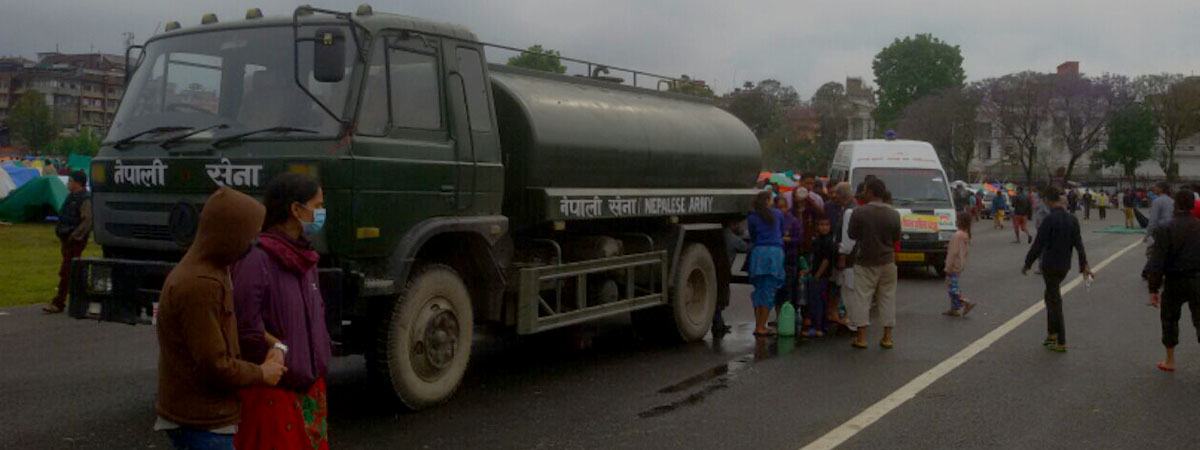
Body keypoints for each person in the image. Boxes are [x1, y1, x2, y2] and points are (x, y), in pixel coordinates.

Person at [155, 187, 287, 450]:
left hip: (204, 418)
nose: (253, 244)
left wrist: (275, 345)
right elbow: (215, 365)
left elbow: (220, 332)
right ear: (230, 234)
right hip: (202, 423)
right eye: (250, 236)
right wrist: (262, 373)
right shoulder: (200, 284)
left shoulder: (212, 269)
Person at [232, 173, 332, 450]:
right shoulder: (258, 260)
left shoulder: (306, 259)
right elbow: (245, 326)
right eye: (318, 205)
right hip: (274, 396)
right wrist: (279, 349)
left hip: (310, 392)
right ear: (296, 209)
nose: (322, 213)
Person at [1022, 188, 1092, 353]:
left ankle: (1061, 340)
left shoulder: (1049, 220)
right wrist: (1084, 265)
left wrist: (1028, 263)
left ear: (1048, 200)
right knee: (1050, 296)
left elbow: (1038, 244)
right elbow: (1079, 244)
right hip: (1064, 265)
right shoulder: (1072, 219)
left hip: (1050, 265)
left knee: (1055, 301)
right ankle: (1051, 335)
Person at [1144, 190, 1200, 372]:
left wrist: (1153, 288)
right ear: (1193, 205)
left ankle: (1170, 360)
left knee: (1169, 319)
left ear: (1175, 204)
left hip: (1174, 280)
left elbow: (1157, 261)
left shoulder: (1164, 229)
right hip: (1197, 279)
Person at [846, 178, 902, 349]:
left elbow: (852, 235)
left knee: (862, 297)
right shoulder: (894, 214)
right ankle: (887, 337)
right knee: (887, 297)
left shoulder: (859, 213)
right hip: (887, 260)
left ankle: (861, 337)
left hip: (865, 261)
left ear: (870, 192)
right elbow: (895, 238)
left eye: (865, 190)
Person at [43, 171, 92, 314]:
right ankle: (87, 300)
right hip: (66, 240)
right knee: (74, 273)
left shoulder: (84, 199)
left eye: (70, 180)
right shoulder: (71, 197)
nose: (68, 183)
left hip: (75, 241)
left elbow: (87, 220)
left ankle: (59, 302)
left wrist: (74, 236)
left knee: (67, 271)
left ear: (77, 182)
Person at [747, 191, 786, 336]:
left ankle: (759, 324)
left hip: (758, 253)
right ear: (769, 200)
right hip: (774, 252)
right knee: (769, 290)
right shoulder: (778, 214)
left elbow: (752, 236)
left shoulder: (752, 217)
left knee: (759, 290)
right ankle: (761, 326)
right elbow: (782, 231)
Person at [716, 220, 749, 334]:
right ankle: (718, 325)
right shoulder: (733, 239)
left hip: (715, 268)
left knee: (716, 297)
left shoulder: (719, 236)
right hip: (723, 271)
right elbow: (745, 247)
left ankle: (719, 323)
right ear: (732, 224)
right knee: (720, 299)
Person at [943, 212, 977, 317]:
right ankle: (954, 308)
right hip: (959, 264)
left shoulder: (957, 235)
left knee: (952, 288)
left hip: (954, 265)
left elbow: (953, 253)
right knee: (953, 285)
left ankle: (965, 302)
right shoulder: (965, 235)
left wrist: (947, 267)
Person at [807, 217, 837, 336]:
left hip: (821, 276)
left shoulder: (828, 241)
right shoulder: (818, 240)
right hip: (815, 273)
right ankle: (820, 325)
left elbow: (826, 260)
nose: (824, 227)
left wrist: (817, 275)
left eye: (826, 225)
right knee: (818, 300)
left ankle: (819, 326)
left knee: (818, 301)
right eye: (821, 224)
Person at [776, 194, 804, 320]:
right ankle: (778, 317)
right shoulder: (773, 220)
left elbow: (799, 238)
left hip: (790, 258)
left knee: (788, 289)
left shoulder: (792, 221)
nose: (782, 210)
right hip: (777, 259)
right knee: (777, 290)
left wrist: (787, 239)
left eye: (783, 207)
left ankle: (787, 316)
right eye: (778, 207)